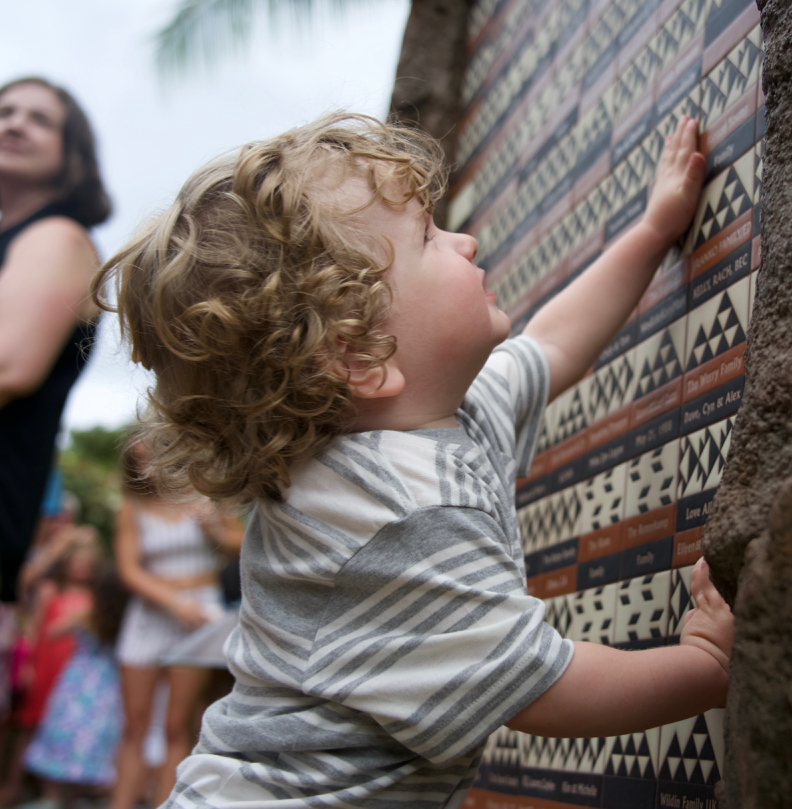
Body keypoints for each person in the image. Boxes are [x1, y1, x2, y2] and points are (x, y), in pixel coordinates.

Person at [96, 111, 732, 809]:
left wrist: (652, 231)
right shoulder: (390, 511)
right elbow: (545, 689)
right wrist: (709, 665)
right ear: (360, 355)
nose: (465, 240)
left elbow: (553, 345)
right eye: (428, 238)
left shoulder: (442, 416)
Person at [0, 77, 111, 605]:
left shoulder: (57, 236)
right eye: (5, 111)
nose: (14, 123)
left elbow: (6, 369)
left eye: (39, 119)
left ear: (72, 155)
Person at [109, 445, 243, 809]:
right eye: (140, 458)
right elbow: (129, 570)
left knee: (177, 725)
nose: (150, 463)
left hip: (201, 615)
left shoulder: (208, 496)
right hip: (151, 615)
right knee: (134, 726)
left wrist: (213, 527)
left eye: (156, 452)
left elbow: (242, 544)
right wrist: (173, 602)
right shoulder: (131, 509)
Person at [21, 548, 128, 809]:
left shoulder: (89, 615)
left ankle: (53, 797)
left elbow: (54, 632)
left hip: (78, 680)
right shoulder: (124, 620)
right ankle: (80, 795)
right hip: (108, 684)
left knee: (64, 730)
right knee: (96, 735)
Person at [0, 528, 99, 806]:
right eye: (75, 559)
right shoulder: (49, 590)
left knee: (60, 728)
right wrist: (26, 665)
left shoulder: (95, 597)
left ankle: (61, 794)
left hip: (73, 675)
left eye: (86, 560)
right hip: (45, 666)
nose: (80, 565)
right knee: (28, 727)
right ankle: (11, 785)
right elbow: (33, 630)